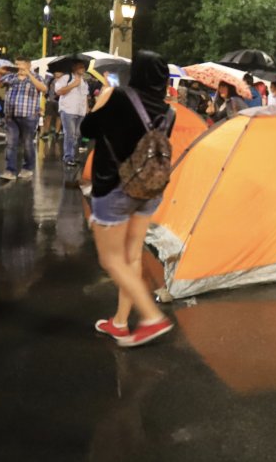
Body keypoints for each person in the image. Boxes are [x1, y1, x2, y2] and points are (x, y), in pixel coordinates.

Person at [80, 50, 174, 347]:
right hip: (148, 189)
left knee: (111, 259)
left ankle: (151, 317)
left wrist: (100, 102)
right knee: (132, 257)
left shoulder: (118, 96)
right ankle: (120, 323)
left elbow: (86, 131)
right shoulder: (168, 110)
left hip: (115, 188)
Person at [0, 58, 47, 181]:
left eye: (20, 64)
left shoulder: (36, 77)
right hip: (11, 116)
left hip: (29, 116)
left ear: (28, 65)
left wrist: (29, 75)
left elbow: (44, 89)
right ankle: (10, 170)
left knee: (27, 144)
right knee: (11, 143)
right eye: (16, 64)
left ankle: (28, 168)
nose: (18, 67)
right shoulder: (11, 77)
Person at [55, 61, 90, 167]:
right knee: (69, 135)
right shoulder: (66, 77)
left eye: (83, 67)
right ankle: (68, 157)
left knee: (77, 135)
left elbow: (85, 96)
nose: (83, 69)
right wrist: (73, 85)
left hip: (80, 111)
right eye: (80, 66)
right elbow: (59, 91)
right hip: (68, 110)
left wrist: (87, 108)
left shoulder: (84, 81)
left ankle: (72, 156)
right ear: (74, 67)